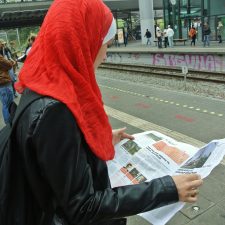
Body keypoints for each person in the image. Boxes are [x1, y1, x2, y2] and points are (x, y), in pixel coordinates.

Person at [10, 0, 203, 225]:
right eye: (107, 45)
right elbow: (83, 206)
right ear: (85, 40)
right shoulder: (55, 110)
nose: (105, 55)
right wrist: (167, 188)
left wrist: (92, 143)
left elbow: (51, 160)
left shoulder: (41, 84)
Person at [0, 54, 14, 124]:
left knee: (5, 104)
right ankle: (9, 124)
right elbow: (9, 65)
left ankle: (8, 124)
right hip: (4, 83)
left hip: (2, 85)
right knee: (8, 104)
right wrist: (11, 62)